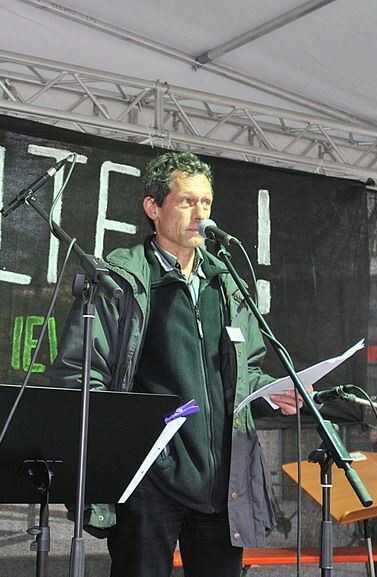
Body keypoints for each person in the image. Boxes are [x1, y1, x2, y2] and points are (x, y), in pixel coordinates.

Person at [49, 151, 305, 577]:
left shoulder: (226, 284)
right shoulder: (121, 281)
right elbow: (80, 374)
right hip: (149, 481)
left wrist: (273, 394)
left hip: (223, 484)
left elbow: (244, 374)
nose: (199, 214)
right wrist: (135, 449)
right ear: (154, 208)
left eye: (205, 203)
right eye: (186, 201)